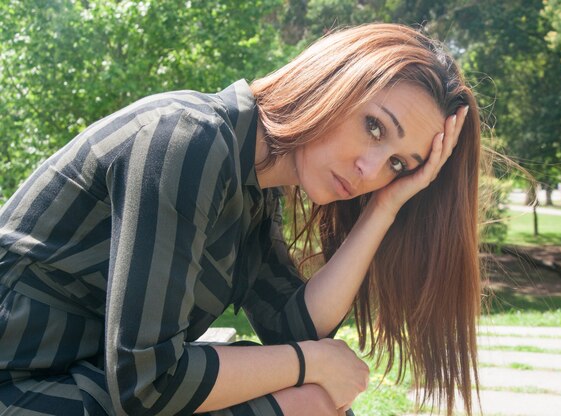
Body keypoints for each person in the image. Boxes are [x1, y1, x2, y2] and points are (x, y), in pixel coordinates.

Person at [0, 23, 481, 416]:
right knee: (309, 400)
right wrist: (310, 362)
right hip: (20, 386)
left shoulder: (248, 190)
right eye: (374, 127)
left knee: (312, 398)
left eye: (398, 163)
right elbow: (146, 383)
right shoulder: (189, 140)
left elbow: (292, 325)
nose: (372, 170)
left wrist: (385, 207)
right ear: (333, 80)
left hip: (76, 378)